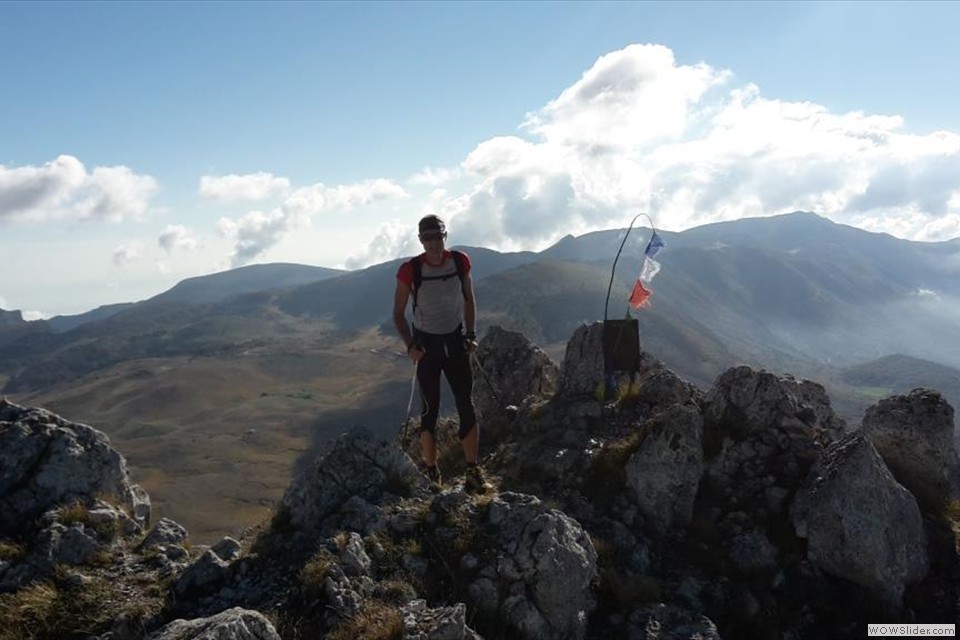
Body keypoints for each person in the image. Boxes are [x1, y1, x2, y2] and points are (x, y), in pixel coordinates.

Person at [393, 215, 491, 494]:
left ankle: (473, 471)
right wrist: (411, 346)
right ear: (421, 240)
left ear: (445, 236)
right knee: (429, 410)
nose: (434, 243)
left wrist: (470, 334)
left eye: (438, 236)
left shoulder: (459, 262)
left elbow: (469, 299)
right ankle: (431, 472)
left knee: (466, 405)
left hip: (456, 341)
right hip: (427, 347)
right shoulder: (409, 270)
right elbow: (398, 314)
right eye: (428, 238)